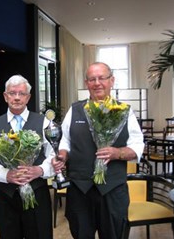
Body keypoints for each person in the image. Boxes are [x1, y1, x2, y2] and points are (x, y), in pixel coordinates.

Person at [52, 62, 144, 239]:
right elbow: (65, 140)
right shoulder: (75, 110)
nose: (97, 83)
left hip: (113, 191)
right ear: (87, 83)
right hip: (79, 190)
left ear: (112, 81)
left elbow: (138, 145)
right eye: (92, 79)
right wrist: (62, 155)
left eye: (102, 78)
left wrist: (118, 153)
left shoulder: (125, 111)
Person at [0, 74, 55, 239]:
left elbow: (54, 155)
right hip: (6, 197)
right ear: (5, 96)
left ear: (28, 97)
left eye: (21, 93)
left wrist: (40, 170)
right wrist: (6, 175)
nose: (17, 97)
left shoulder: (44, 123)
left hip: (38, 195)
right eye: (12, 93)